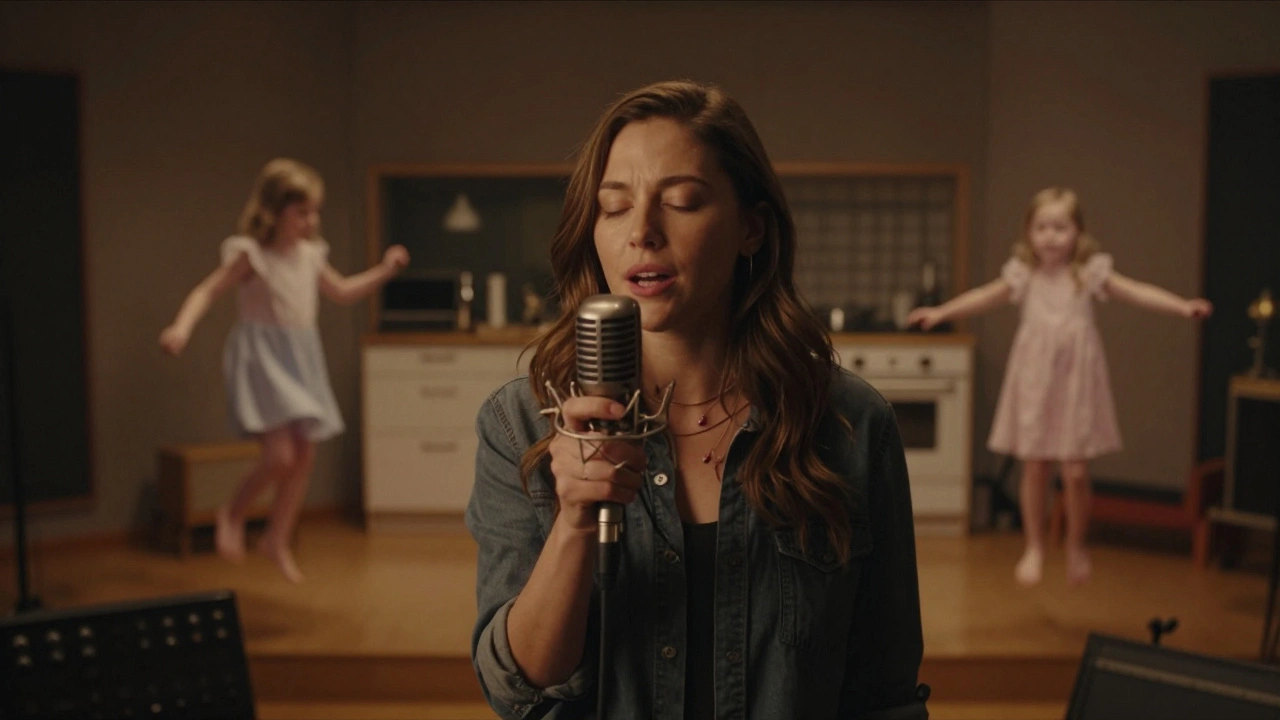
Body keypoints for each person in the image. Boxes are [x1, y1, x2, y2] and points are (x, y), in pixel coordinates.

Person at [466, 81, 928, 719]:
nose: (643, 233)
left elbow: (886, 691)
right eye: (614, 207)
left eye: (681, 202)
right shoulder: (520, 423)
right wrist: (575, 518)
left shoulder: (848, 423)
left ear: (752, 229)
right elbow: (515, 687)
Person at [908, 187, 1212, 587]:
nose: (1051, 236)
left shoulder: (1089, 273)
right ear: (1029, 233)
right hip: (1036, 377)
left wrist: (1181, 306)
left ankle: (1076, 545)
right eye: (1042, 227)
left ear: (1078, 232)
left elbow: (1136, 291)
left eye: (1060, 227)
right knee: (1035, 464)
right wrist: (942, 312)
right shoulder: (1024, 275)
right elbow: (985, 296)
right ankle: (1033, 545)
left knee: (1075, 472)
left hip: (1076, 381)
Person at [160, 158, 409, 582]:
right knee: (279, 454)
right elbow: (208, 290)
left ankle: (277, 535)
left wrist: (384, 271)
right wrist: (181, 327)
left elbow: (343, 291)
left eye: (315, 211)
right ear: (274, 211)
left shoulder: (311, 256)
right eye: (302, 212)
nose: (311, 221)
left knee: (305, 453)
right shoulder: (251, 255)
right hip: (263, 359)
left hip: (301, 358)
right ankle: (232, 513)